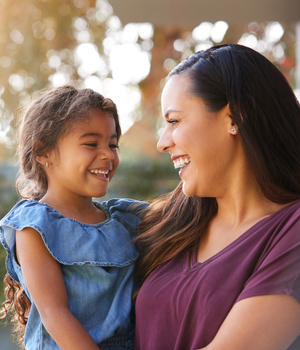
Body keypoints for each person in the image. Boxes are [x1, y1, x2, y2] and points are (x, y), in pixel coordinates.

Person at [134, 44, 300, 350]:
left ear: (235, 116)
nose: (162, 143)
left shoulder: (292, 231)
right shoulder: (169, 221)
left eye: (174, 121)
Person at [0, 85, 145, 350]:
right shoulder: (34, 226)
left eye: (113, 144)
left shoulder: (125, 219)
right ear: (43, 152)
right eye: (91, 143)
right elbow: (56, 314)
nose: (108, 155)